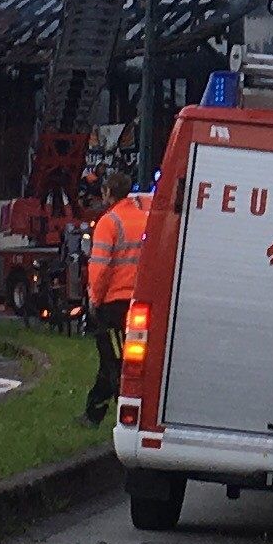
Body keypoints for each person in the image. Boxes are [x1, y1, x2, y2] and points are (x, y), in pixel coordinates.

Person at [80, 177, 153, 422]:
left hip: (114, 305)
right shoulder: (145, 220)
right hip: (142, 303)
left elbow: (99, 269)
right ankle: (94, 413)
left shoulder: (109, 223)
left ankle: (124, 416)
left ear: (108, 192)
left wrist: (94, 300)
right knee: (122, 362)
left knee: (114, 363)